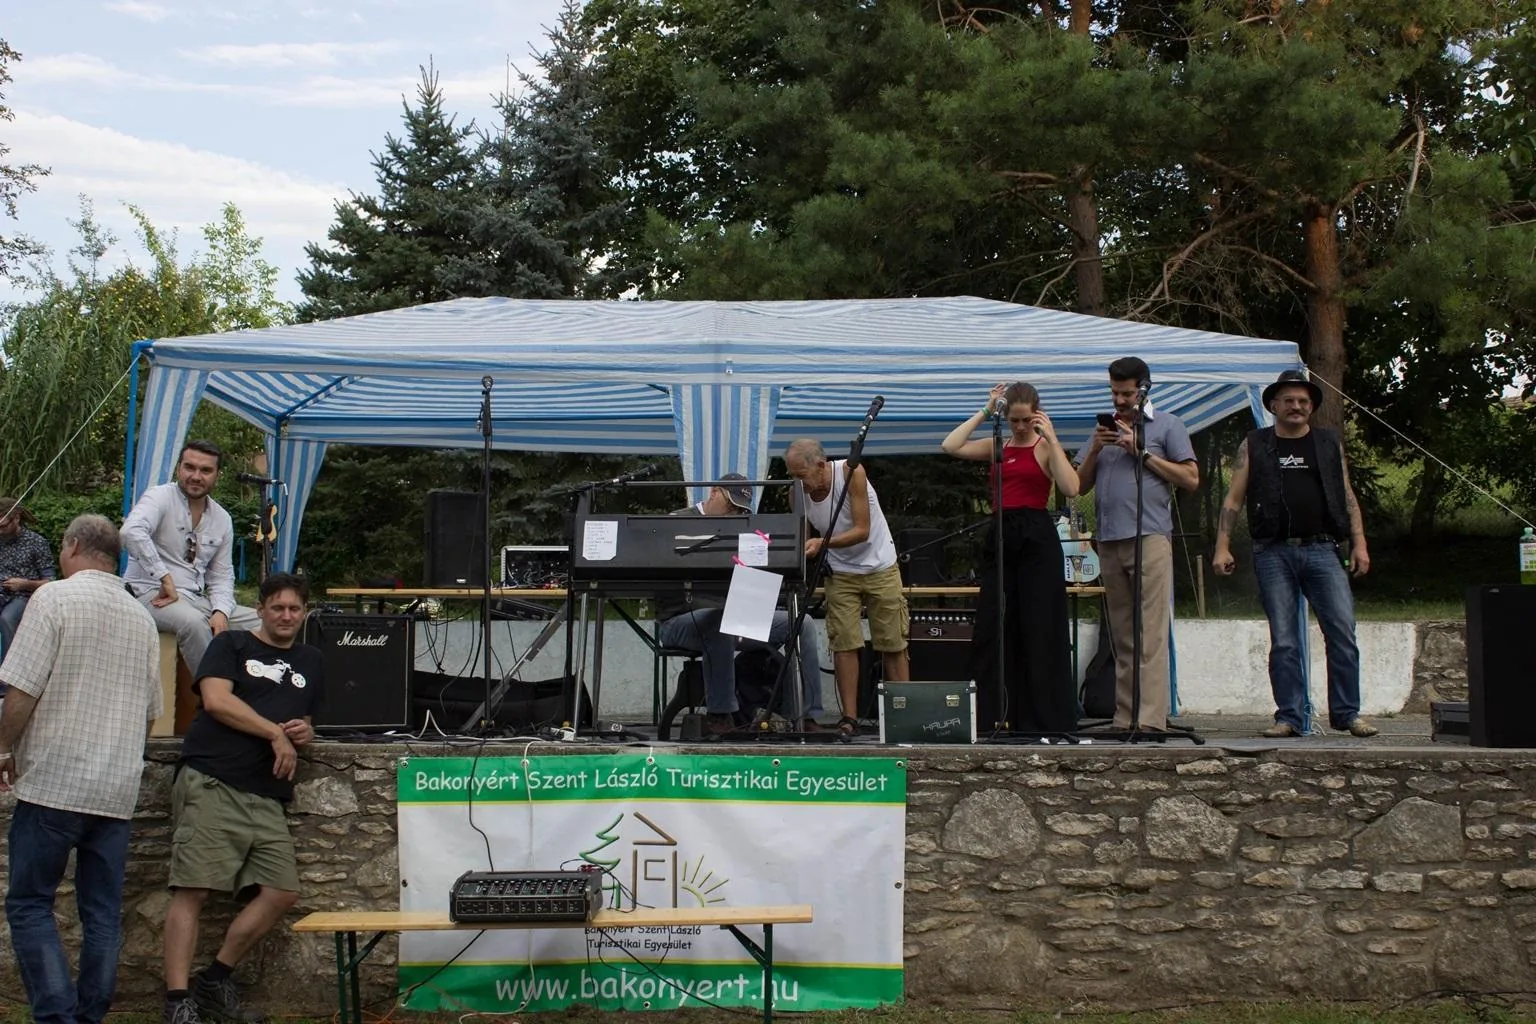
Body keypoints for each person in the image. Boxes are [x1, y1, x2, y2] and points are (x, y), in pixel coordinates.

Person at [0, 514, 162, 1024]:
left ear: (71, 546)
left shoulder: (52, 598)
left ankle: (55, 1016)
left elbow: (22, 690)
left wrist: (3, 750)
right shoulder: (142, 618)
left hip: (55, 780)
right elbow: (152, 713)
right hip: (115, 790)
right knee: (101, 916)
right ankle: (89, 1016)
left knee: (29, 903)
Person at [161, 572, 324, 1024]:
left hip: (268, 794)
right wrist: (275, 733)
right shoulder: (231, 645)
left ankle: (214, 981)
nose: (286, 616)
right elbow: (214, 701)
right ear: (263, 609)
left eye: (294, 608)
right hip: (213, 778)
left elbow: (307, 720)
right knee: (192, 889)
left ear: (304, 612)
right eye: (277, 607)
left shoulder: (311, 659)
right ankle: (177, 1003)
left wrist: (303, 731)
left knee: (281, 891)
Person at [1212, 369, 1378, 738]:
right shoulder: (1254, 443)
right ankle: (1289, 716)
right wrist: (1222, 545)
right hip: (1273, 552)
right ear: (1273, 405)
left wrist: (1360, 542)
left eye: (1303, 401)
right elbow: (1234, 499)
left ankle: (1348, 714)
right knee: (1284, 640)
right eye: (1288, 400)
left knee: (1342, 633)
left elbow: (1347, 494)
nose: (1296, 406)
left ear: (1312, 407)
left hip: (1323, 549)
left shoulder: (1327, 442)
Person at [942, 381, 1080, 734]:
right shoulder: (998, 445)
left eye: (1026, 420)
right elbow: (951, 445)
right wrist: (987, 411)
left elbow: (1071, 487)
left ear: (1036, 416)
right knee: (996, 622)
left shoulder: (1043, 448)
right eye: (1014, 420)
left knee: (1038, 625)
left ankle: (1045, 718)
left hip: (1036, 534)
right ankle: (995, 714)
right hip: (1002, 532)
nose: (1020, 427)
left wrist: (1052, 438)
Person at [1076, 357, 1199, 732]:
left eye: (1126, 393)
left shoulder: (1167, 425)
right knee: (1121, 633)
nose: (1119, 400)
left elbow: (1191, 478)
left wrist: (1142, 453)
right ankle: (1124, 716)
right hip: (1109, 540)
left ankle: (1150, 719)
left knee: (1149, 631)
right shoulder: (1104, 429)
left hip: (1149, 536)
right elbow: (1078, 486)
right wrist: (1097, 448)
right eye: (1114, 392)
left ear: (1144, 389)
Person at [656, 473, 824, 734]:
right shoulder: (677, 522)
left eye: (740, 509)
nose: (733, 513)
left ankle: (805, 715)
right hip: (679, 620)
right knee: (717, 621)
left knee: (802, 623)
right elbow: (657, 575)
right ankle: (720, 715)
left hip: (733, 616)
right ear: (714, 493)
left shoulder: (744, 531)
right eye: (731, 505)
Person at [784, 438, 909, 736]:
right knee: (844, 643)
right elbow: (805, 537)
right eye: (792, 475)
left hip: (879, 564)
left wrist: (821, 544)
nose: (797, 482)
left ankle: (903, 714)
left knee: (892, 641)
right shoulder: (796, 493)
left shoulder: (851, 473)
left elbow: (862, 530)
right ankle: (849, 718)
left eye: (800, 475)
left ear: (820, 465)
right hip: (840, 571)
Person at [122, 440, 260, 673]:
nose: (196, 476)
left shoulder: (222, 518)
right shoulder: (160, 497)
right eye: (190, 467)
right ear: (179, 469)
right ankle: (215, 697)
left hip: (196, 599)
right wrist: (164, 577)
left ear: (217, 475)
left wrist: (221, 612)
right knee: (193, 623)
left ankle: (264, 694)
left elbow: (221, 577)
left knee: (262, 622)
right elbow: (130, 532)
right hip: (149, 594)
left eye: (205, 470)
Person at [0, 496, 57, 655]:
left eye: (3, 526)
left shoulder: (36, 542)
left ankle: (8, 675)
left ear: (16, 519)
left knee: (7, 618)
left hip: (24, 595)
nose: (0, 531)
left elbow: (51, 581)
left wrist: (25, 584)